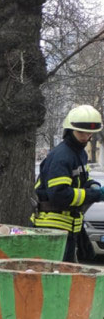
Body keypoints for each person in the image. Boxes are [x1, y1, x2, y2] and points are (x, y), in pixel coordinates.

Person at [32, 105, 104, 262]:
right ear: (70, 130)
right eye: (81, 132)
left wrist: (92, 185)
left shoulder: (79, 154)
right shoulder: (62, 156)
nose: (85, 137)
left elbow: (81, 181)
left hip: (70, 226)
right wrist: (95, 194)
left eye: (89, 133)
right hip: (53, 228)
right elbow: (59, 195)